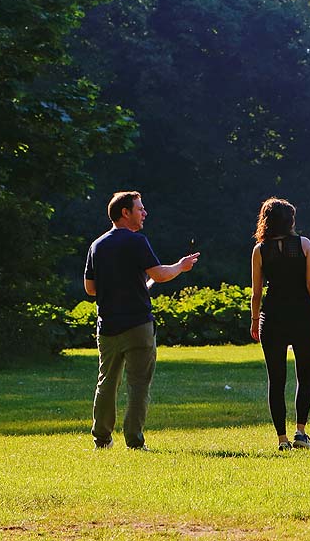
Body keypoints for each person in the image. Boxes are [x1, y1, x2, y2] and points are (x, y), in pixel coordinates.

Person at [84, 190, 199, 450]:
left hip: (108, 326)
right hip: (138, 325)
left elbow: (90, 289)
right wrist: (180, 266)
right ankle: (134, 442)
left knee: (106, 382)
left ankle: (101, 439)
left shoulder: (97, 245)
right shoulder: (137, 241)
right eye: (140, 209)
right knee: (138, 385)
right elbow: (159, 275)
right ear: (125, 213)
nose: (144, 213)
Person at [249, 197, 310, 451]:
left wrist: (255, 320)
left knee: (276, 380)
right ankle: (301, 432)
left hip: (273, 317)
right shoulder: (304, 245)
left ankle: (281, 439)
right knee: (304, 376)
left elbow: (256, 292)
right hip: (303, 317)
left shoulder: (260, 250)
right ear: (290, 221)